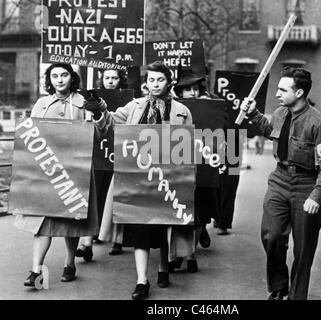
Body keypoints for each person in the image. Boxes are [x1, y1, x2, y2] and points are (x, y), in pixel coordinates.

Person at [84, 61, 193, 300]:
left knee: (165, 225)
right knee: (141, 227)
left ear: (169, 82)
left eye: (160, 80)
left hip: (167, 179)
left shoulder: (182, 111)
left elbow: (187, 149)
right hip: (136, 177)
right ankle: (142, 280)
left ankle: (164, 266)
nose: (155, 84)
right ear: (146, 82)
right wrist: (99, 110)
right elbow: (111, 123)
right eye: (151, 80)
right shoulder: (134, 106)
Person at [240, 66, 321, 300]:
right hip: (279, 180)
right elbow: (268, 129)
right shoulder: (280, 113)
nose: (277, 94)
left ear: (300, 92)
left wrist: (316, 196)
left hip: (306, 184)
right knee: (271, 235)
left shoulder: (318, 124)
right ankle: (279, 285)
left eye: (283, 90)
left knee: (303, 250)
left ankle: (296, 296)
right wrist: (254, 114)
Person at [14, 63, 102, 286]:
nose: (59, 80)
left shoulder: (84, 102)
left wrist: (98, 112)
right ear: (49, 79)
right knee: (43, 222)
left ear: (71, 78)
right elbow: (29, 134)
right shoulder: (42, 104)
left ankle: (69, 263)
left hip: (76, 170)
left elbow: (99, 136)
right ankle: (36, 270)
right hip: (48, 171)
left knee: (71, 221)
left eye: (64, 75)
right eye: (55, 76)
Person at [167, 68, 217, 273]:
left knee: (197, 216)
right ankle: (175, 254)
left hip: (203, 169)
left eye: (195, 89)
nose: (192, 94)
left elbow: (222, 136)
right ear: (180, 92)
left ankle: (191, 254)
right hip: (178, 169)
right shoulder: (172, 108)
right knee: (176, 214)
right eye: (187, 90)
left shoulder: (211, 108)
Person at [76, 69, 128, 261]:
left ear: (120, 80)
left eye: (114, 78)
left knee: (117, 198)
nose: (111, 81)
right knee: (93, 197)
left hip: (119, 153)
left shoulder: (130, 100)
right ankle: (86, 243)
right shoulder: (91, 98)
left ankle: (117, 240)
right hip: (97, 154)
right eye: (107, 78)